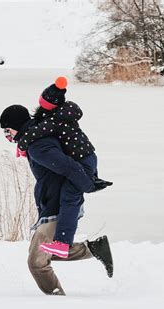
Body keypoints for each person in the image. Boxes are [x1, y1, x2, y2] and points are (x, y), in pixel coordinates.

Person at [0, 104, 113, 296]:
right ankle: (94, 249)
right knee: (43, 254)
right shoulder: (36, 138)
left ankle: (55, 303)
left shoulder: (37, 146)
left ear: (17, 125)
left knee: (36, 262)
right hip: (53, 203)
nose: (7, 135)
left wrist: (88, 185)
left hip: (56, 206)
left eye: (7, 130)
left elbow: (68, 167)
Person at [16, 77, 112, 258]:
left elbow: (39, 131)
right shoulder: (62, 114)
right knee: (70, 196)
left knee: (70, 197)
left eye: (43, 103)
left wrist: (22, 144)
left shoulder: (57, 119)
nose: (41, 106)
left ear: (50, 105)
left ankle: (63, 243)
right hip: (87, 157)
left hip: (83, 160)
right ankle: (69, 243)